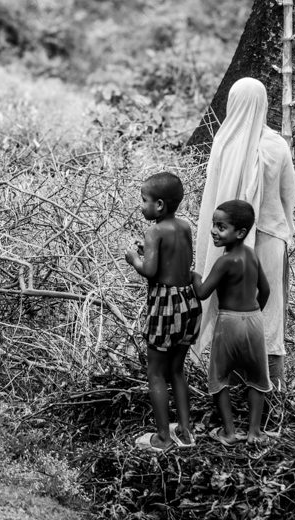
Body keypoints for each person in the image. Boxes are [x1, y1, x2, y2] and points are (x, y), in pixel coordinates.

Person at [195, 77, 295, 393]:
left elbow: (213, 197)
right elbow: (290, 193)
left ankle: (231, 385)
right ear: (264, 104)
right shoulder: (276, 145)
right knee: (269, 313)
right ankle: (270, 387)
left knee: (230, 308)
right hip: (269, 240)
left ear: (232, 102)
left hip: (230, 245)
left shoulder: (224, 142)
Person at [125, 172, 202, 451]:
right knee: (177, 370)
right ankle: (185, 432)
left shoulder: (154, 231)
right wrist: (148, 249)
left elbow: (150, 271)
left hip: (165, 304)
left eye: (144, 200)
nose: (141, 206)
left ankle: (162, 438)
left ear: (159, 205)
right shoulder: (184, 227)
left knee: (156, 373)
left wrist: (135, 259)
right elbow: (178, 260)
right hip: (189, 302)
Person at [192, 200, 272, 445]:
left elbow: (203, 292)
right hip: (254, 320)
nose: (214, 231)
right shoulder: (251, 255)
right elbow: (265, 290)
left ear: (240, 232)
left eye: (221, 227)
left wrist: (193, 276)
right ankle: (255, 432)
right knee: (257, 379)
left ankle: (229, 432)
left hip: (228, 321)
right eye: (214, 224)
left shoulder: (225, 261)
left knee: (218, 377)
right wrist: (254, 314)